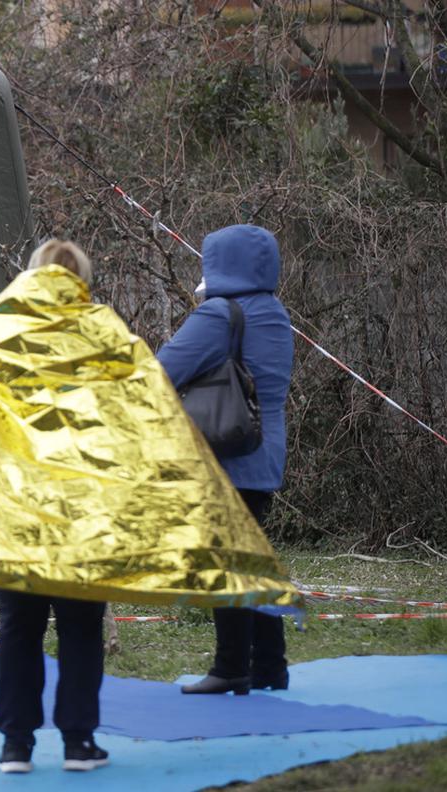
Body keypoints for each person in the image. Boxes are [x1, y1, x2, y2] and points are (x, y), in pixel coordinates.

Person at [157, 224, 295, 695]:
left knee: (225, 560)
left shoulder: (219, 313)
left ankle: (231, 666)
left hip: (226, 453)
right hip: (265, 450)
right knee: (251, 559)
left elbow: (165, 369)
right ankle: (270, 666)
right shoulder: (275, 313)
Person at [0, 239, 109, 775]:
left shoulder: (2, 337)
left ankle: (16, 744)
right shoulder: (101, 337)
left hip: (18, 505)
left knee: (19, 626)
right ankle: (78, 742)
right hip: (80, 505)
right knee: (81, 627)